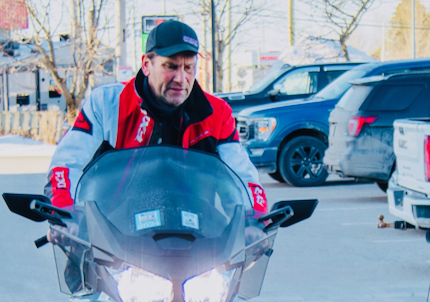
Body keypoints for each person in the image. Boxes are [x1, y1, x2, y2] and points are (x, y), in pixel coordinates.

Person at [45, 19, 268, 213]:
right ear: (146, 65)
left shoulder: (217, 114)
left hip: (197, 238)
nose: (181, 78)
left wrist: (255, 218)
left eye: (188, 68)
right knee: (77, 258)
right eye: (170, 66)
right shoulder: (107, 103)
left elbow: (241, 176)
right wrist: (64, 211)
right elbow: (68, 162)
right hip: (109, 235)